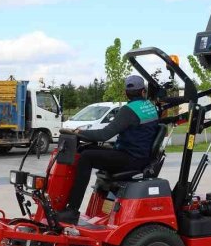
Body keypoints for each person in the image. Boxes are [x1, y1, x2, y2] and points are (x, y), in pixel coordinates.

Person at [58, 75, 159, 224]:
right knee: (85, 149)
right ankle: (70, 207)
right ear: (143, 91)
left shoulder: (128, 111)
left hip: (130, 158)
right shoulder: (150, 107)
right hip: (140, 155)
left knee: (86, 157)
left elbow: (104, 135)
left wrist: (79, 133)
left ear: (126, 93)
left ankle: (72, 210)